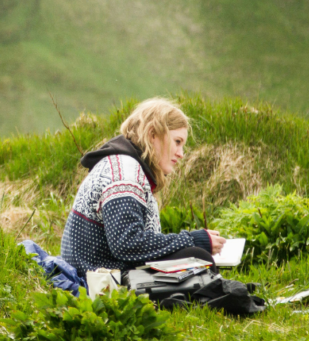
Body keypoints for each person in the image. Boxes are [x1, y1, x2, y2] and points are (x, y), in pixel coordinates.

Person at [60, 98, 225, 277]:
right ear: (153, 134)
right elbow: (127, 243)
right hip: (98, 280)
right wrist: (194, 241)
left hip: (103, 272)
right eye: (177, 142)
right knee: (198, 257)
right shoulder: (124, 173)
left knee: (195, 258)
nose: (181, 154)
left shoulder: (127, 166)